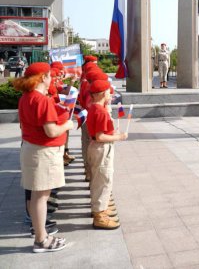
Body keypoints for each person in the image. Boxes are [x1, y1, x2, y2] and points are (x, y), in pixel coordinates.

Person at [14, 62, 73, 253]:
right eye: (48, 76)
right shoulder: (42, 100)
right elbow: (51, 131)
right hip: (43, 153)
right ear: (42, 78)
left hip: (31, 149)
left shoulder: (26, 97)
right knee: (42, 196)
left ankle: (41, 234)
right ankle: (41, 239)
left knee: (35, 195)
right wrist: (68, 125)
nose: (51, 79)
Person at [87, 79, 127, 229]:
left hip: (97, 147)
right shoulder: (101, 112)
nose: (111, 95)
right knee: (103, 180)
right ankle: (99, 215)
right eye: (110, 92)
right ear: (104, 93)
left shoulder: (94, 108)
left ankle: (101, 208)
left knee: (101, 179)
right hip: (101, 148)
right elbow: (100, 136)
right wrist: (119, 137)